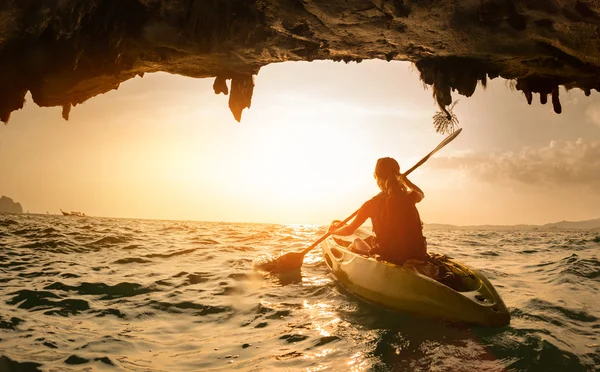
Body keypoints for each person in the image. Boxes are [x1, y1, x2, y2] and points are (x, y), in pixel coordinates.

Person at [327, 157, 428, 265]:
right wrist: (406, 181)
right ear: (398, 175)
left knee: (356, 242)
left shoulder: (370, 204)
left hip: (391, 258)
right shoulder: (410, 196)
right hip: (419, 255)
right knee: (373, 240)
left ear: (376, 177)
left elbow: (349, 230)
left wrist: (333, 231)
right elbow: (421, 193)